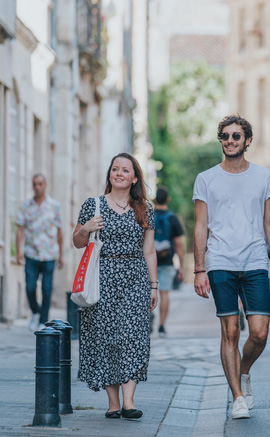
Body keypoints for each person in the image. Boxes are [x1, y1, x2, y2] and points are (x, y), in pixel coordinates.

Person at [193, 114, 270, 420]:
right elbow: (200, 225)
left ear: (247, 141)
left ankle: (243, 370)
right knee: (230, 330)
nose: (229, 141)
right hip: (220, 261)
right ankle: (237, 397)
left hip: (256, 260)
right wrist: (199, 268)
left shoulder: (263, 176)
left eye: (235, 136)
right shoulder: (206, 179)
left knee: (259, 333)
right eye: (225, 136)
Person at [73, 153, 158, 420]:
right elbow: (77, 242)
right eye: (115, 169)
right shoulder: (93, 205)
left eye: (125, 170)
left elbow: (150, 250)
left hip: (135, 277)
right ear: (110, 174)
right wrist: (85, 228)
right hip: (102, 277)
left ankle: (129, 401)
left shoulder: (145, 208)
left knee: (133, 335)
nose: (119, 173)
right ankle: (113, 402)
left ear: (134, 178)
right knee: (105, 337)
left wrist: (153, 286)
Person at [16, 174, 64, 331]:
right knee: (30, 287)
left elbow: (59, 231)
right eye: (35, 184)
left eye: (40, 184)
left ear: (45, 185)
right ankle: (35, 312)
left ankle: (43, 320)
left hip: (50, 254)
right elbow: (20, 229)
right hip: (31, 253)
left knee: (46, 289)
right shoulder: (25, 206)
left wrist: (61, 255)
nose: (37, 187)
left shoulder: (54, 206)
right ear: (32, 186)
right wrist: (18, 251)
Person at [153, 186, 185, 337]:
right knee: (164, 294)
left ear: (154, 200)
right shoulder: (172, 218)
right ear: (168, 199)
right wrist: (182, 266)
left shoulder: (148, 216)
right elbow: (179, 244)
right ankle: (161, 325)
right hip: (167, 261)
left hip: (149, 261)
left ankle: (147, 317)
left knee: (147, 293)